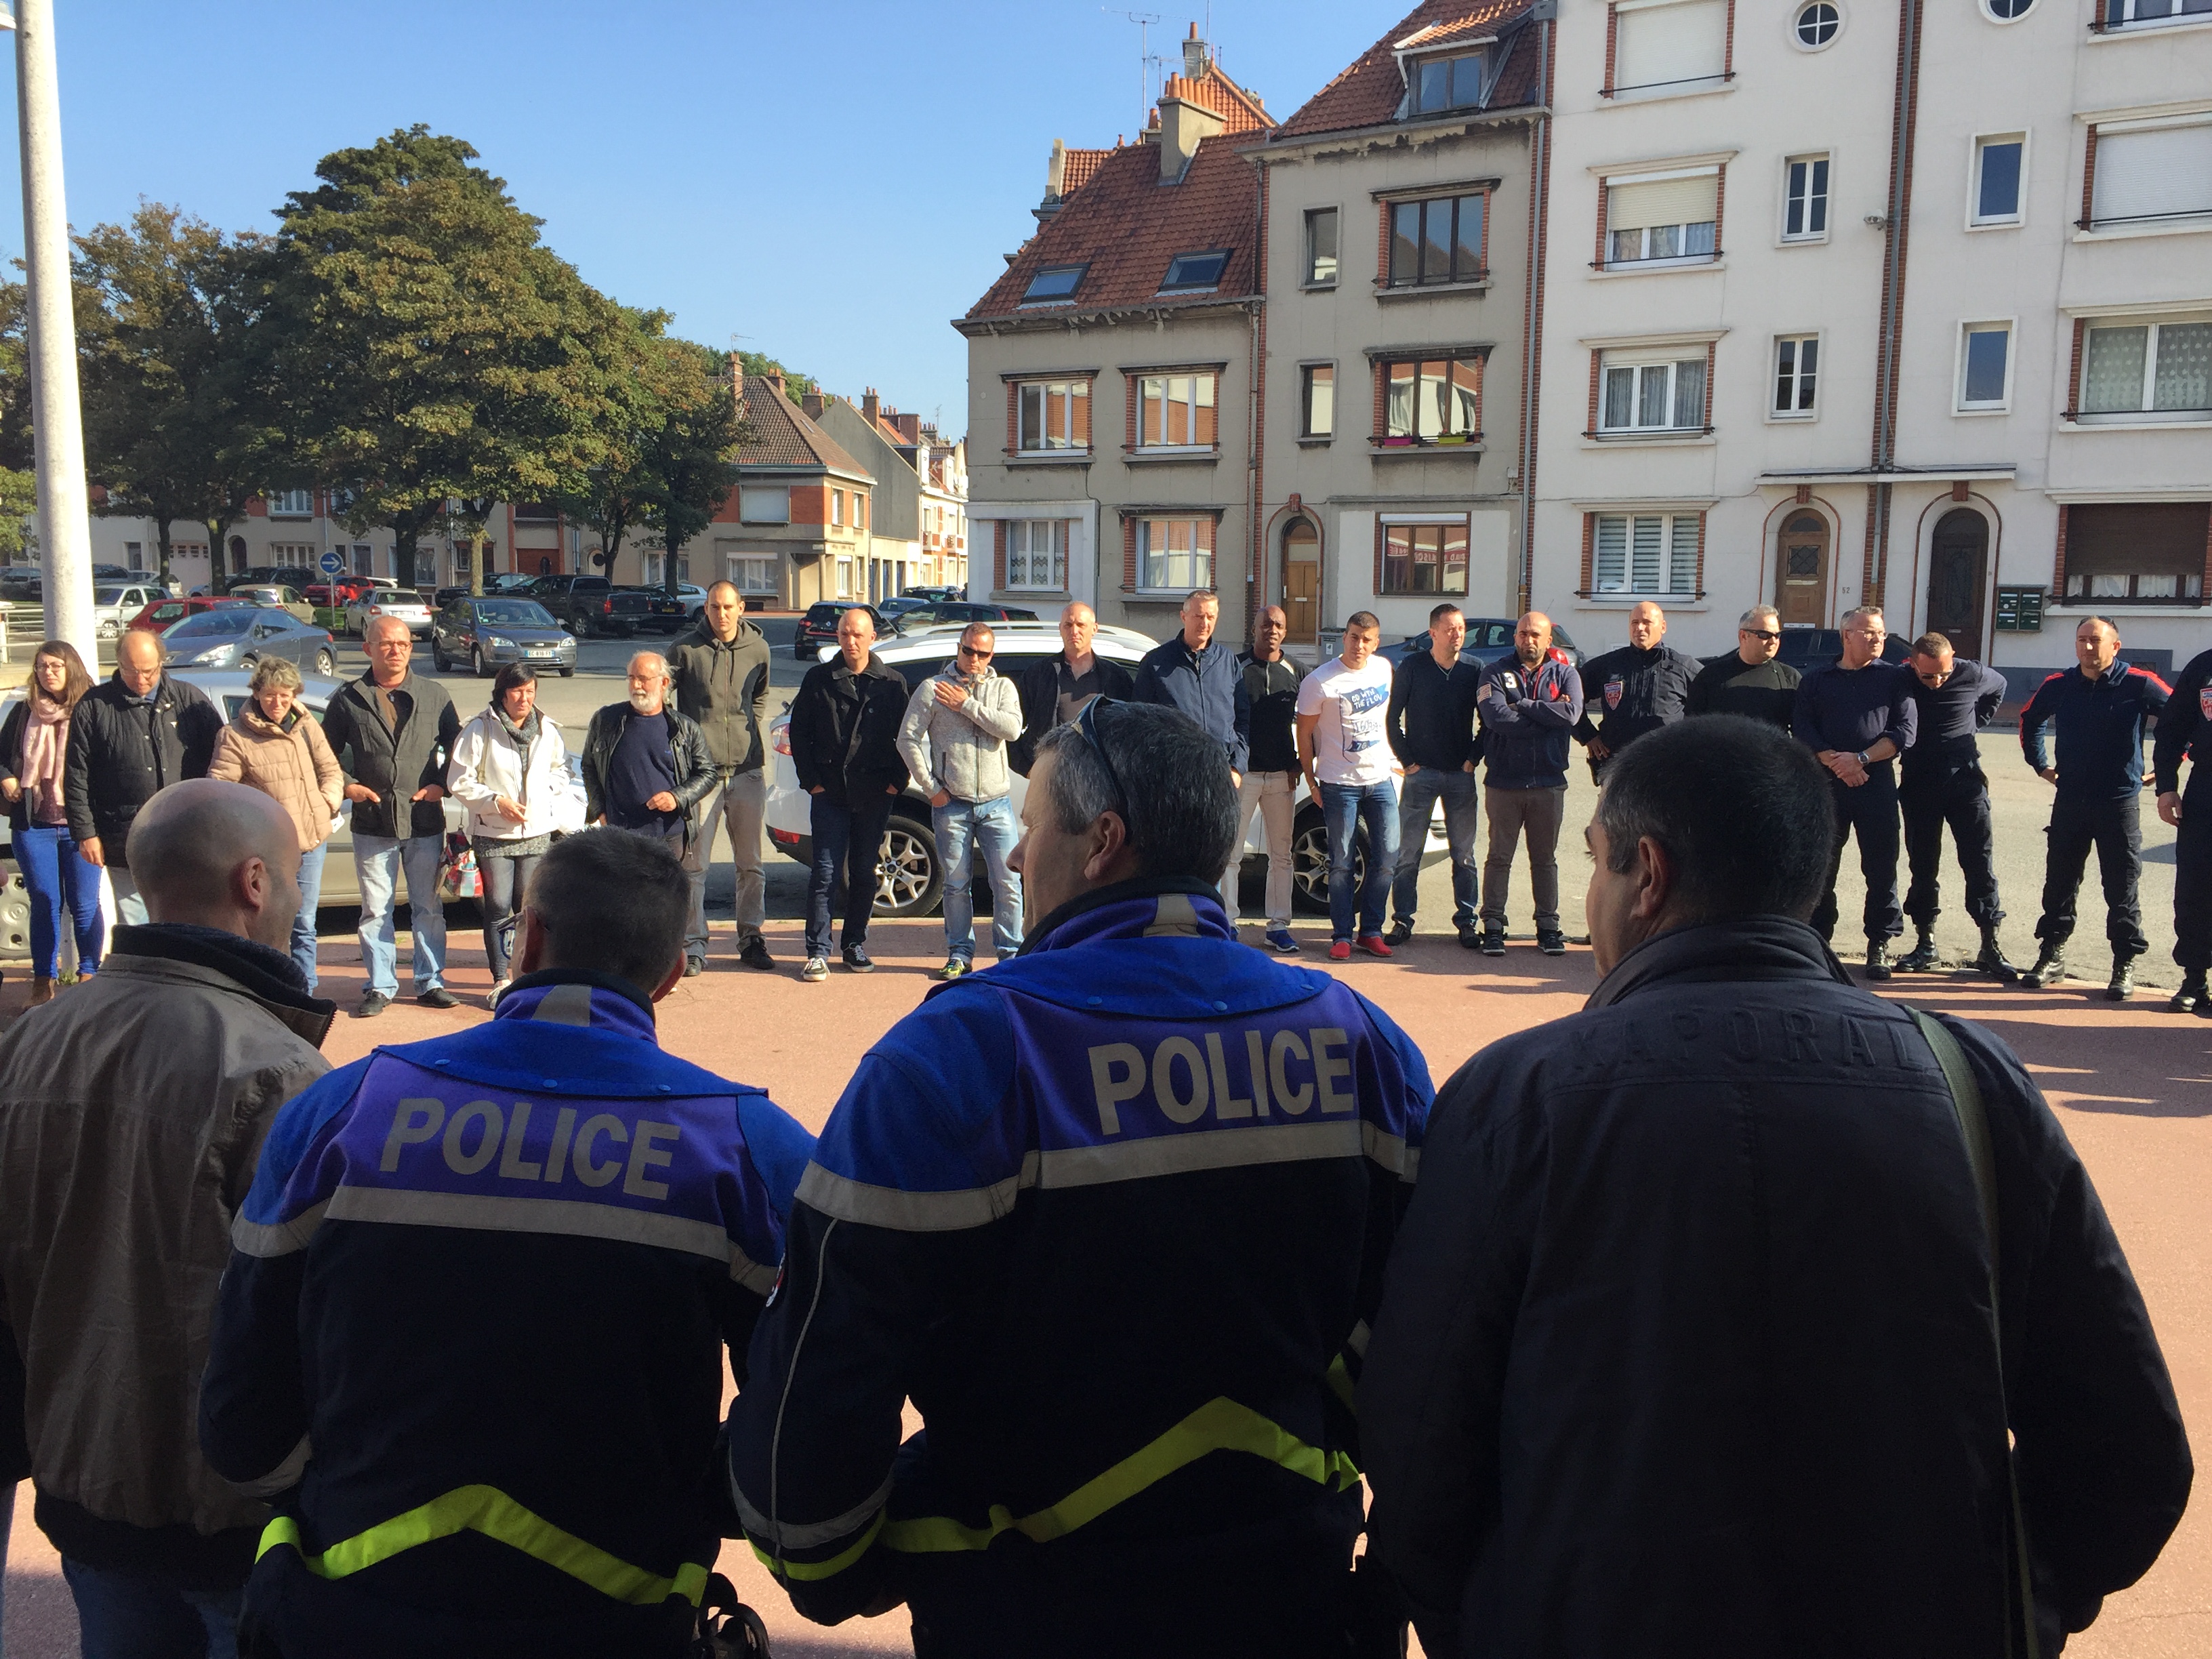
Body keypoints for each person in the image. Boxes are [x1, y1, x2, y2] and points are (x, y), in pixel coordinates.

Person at [1359, 715, 2194, 1657]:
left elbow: (1418, 1434)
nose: (1594, 894)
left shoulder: (1519, 1097)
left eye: (1599, 865)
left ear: (1649, 875)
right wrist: (2007, 1602)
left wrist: (1499, 1615)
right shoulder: (1969, 1082)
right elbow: (2127, 1451)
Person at [729, 699, 1433, 1657]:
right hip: (1290, 1596)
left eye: (1030, 830)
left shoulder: (962, 1052)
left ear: (1102, 844)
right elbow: (1416, 1340)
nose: (1018, 861)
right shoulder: (1363, 1042)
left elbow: (830, 1360)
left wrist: (832, 1560)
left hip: (1028, 1607)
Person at [200, 829, 815, 1659]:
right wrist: (699, 1497)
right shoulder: (747, 1144)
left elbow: (243, 1416)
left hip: (354, 1599)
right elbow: (802, 1414)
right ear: (669, 976)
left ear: (525, 939)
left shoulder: (345, 1108)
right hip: (616, 1611)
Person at [0, 779, 334, 1659]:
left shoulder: (29, 1043)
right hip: (236, 1511)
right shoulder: (278, 1070)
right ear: (255, 883)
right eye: (296, 878)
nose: (299, 899)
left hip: (83, 1486)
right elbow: (315, 1314)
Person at [2018, 616, 2169, 998]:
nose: (2087, 647)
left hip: (2119, 801)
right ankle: (2051, 955)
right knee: (2060, 882)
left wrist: (2165, 768)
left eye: (2096, 640)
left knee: (2121, 885)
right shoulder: (2060, 684)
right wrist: (2041, 765)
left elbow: (2179, 719)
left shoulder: (2139, 683)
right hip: (2070, 798)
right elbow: (2030, 718)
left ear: (2115, 646)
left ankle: (2124, 963)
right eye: (2081, 640)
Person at [320, 614, 462, 1017]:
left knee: (428, 908)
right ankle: (380, 986)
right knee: (375, 910)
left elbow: (461, 751)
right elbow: (323, 753)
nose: (395, 650)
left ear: (410, 648)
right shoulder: (349, 698)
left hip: (424, 821)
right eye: (385, 643)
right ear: (368, 649)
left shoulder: (435, 695)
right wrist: (347, 784)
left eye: (402, 643)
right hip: (373, 822)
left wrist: (442, 785)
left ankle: (430, 981)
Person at [62, 626, 222, 928]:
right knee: (138, 923)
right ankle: (147, 975)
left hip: (187, 834)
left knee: (188, 917)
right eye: (130, 670)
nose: (140, 679)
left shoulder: (189, 700)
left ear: (161, 662)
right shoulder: (94, 707)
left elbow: (222, 760)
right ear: (118, 664)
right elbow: (76, 775)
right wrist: (86, 833)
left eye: (148, 671)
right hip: (124, 835)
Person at [447, 663, 585, 1006]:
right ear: (502, 693)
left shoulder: (548, 730)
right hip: (494, 832)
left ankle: (528, 977)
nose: (524, 699)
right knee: (497, 905)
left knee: (529, 908)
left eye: (530, 691)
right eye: (517, 692)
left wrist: (544, 793)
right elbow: (458, 780)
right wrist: (495, 802)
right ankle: (500, 979)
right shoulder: (479, 729)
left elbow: (563, 769)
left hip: (536, 831)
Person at [1791, 606, 1918, 980]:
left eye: (1880, 632)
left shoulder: (1895, 680)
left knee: (1881, 868)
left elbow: (1904, 733)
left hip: (1874, 784)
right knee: (1822, 868)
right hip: (1826, 786)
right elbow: (1803, 728)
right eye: (1868, 633)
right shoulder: (1816, 680)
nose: (1878, 639)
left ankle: (1878, 943)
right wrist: (1836, 763)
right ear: (1847, 636)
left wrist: (1859, 759)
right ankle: (1818, 943)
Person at [207, 657, 345, 991]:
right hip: (267, 849)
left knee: (304, 922)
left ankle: (306, 990)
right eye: (270, 695)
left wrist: (326, 802)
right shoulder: (234, 736)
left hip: (311, 842)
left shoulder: (306, 724)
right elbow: (219, 791)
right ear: (256, 694)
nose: (278, 703)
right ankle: (271, 989)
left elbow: (331, 769)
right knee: (268, 923)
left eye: (285, 696)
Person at [787, 607, 909, 981]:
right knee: (824, 872)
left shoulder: (892, 683)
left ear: (873, 637)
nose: (851, 641)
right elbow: (799, 734)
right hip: (830, 793)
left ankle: (854, 943)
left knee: (863, 871)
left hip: (875, 793)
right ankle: (817, 951)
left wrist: (897, 781)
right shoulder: (819, 679)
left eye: (858, 634)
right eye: (844, 634)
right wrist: (813, 782)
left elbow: (909, 738)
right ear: (837, 637)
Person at [897, 621, 1025, 978]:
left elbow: (1011, 730)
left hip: (996, 802)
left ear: (991, 656)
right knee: (956, 885)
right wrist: (930, 788)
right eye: (968, 651)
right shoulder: (932, 690)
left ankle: (1010, 954)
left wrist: (967, 705)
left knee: (1008, 882)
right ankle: (960, 953)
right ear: (959, 648)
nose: (974, 659)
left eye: (982, 654)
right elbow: (906, 740)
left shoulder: (1003, 688)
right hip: (952, 802)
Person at [670, 581, 775, 975]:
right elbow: (665, 703)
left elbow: (759, 696)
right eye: (715, 607)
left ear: (741, 607)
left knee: (751, 865)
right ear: (706, 609)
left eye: (729, 606)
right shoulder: (684, 650)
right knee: (694, 867)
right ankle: (694, 946)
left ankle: (751, 938)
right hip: (702, 778)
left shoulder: (759, 649)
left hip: (747, 771)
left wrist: (750, 728)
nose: (722, 614)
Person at [1896, 633, 2017, 978]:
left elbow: (2000, 687)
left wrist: (1976, 722)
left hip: (1965, 780)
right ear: (1913, 663)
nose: (1936, 683)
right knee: (1923, 864)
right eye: (1928, 676)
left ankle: (1990, 946)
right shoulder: (1900, 677)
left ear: (1954, 661)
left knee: (1979, 862)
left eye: (1943, 675)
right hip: (1919, 780)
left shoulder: (1972, 674)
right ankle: (1925, 944)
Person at [1474, 613, 1584, 958]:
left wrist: (1521, 703)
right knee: (1499, 857)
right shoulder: (1493, 672)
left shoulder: (1566, 674)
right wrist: (1548, 715)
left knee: (1544, 859)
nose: (1528, 640)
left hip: (1548, 783)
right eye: (1523, 634)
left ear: (1549, 640)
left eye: (1536, 634)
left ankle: (1548, 927)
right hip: (1504, 782)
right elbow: (1495, 719)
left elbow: (1571, 716)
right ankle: (1493, 925)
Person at [1, 640, 102, 1001]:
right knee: (44, 900)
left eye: (57, 666)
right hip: (34, 823)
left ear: (71, 668)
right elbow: (1, 755)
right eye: (43, 666)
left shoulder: (93, 707)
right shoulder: (22, 711)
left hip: (81, 824)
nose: (49, 672)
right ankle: (44, 980)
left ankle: (90, 976)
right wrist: (7, 777)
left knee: (85, 903)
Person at [1298, 611, 1399, 962]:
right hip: (1338, 782)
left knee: (1387, 856)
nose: (1360, 645)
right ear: (1345, 637)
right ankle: (1342, 934)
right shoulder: (1320, 681)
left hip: (1380, 778)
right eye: (1354, 637)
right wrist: (1311, 781)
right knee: (1341, 862)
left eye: (1367, 639)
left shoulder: (1383, 669)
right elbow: (1304, 734)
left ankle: (1371, 931)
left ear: (1377, 642)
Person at [1385, 605, 1482, 948]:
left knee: (1465, 855)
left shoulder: (1474, 669)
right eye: (1451, 629)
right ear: (1433, 634)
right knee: (1407, 854)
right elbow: (1392, 719)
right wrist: (1408, 762)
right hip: (1419, 775)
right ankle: (1402, 921)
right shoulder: (1412, 667)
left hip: (1460, 776)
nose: (1458, 635)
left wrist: (1473, 759)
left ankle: (1467, 922)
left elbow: (1489, 721)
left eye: (1461, 628)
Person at [1233, 604, 1303, 952]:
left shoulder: (1298, 671)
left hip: (1281, 777)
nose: (1271, 630)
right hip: (1243, 775)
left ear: (1284, 632)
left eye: (1277, 625)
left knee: (1282, 855)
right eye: (1265, 624)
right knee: (1231, 854)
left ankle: (1278, 926)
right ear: (1254, 629)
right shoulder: (1236, 667)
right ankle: (1227, 923)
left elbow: (1311, 724)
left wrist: (1301, 766)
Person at [1569, 599, 1698, 782]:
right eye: (1635, 623)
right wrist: (1587, 735)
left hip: (1666, 769)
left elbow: (1710, 706)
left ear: (1663, 627)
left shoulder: (1683, 668)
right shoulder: (1607, 665)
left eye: (1647, 622)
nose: (1640, 628)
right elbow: (1569, 697)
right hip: (1616, 766)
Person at [1131, 588, 1250, 782]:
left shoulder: (1228, 661)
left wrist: (1238, 766)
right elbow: (1139, 721)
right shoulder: (1156, 662)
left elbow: (1242, 718)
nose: (1205, 623)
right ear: (1183, 616)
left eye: (1211, 617)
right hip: (1173, 774)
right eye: (1198, 616)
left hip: (1221, 773)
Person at [2154, 642, 2212, 1015]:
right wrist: (2166, 786)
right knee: (2195, 886)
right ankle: (2195, 978)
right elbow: (2172, 729)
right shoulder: (2204, 666)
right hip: (2206, 788)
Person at [1010, 600, 1132, 777]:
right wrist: (1028, 769)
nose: (1074, 631)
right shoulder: (1038, 675)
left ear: (1094, 629)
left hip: (1100, 778)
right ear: (1060, 629)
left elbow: (1132, 731)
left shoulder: (1116, 678)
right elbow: (1011, 726)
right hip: (1052, 776)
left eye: (1081, 625)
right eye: (1068, 625)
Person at [1685, 605, 1801, 729]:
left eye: (1777, 635)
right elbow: (1693, 726)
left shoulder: (1789, 677)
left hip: (1771, 748)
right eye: (1764, 635)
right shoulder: (1711, 676)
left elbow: (1801, 728)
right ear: (1744, 636)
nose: (1773, 641)